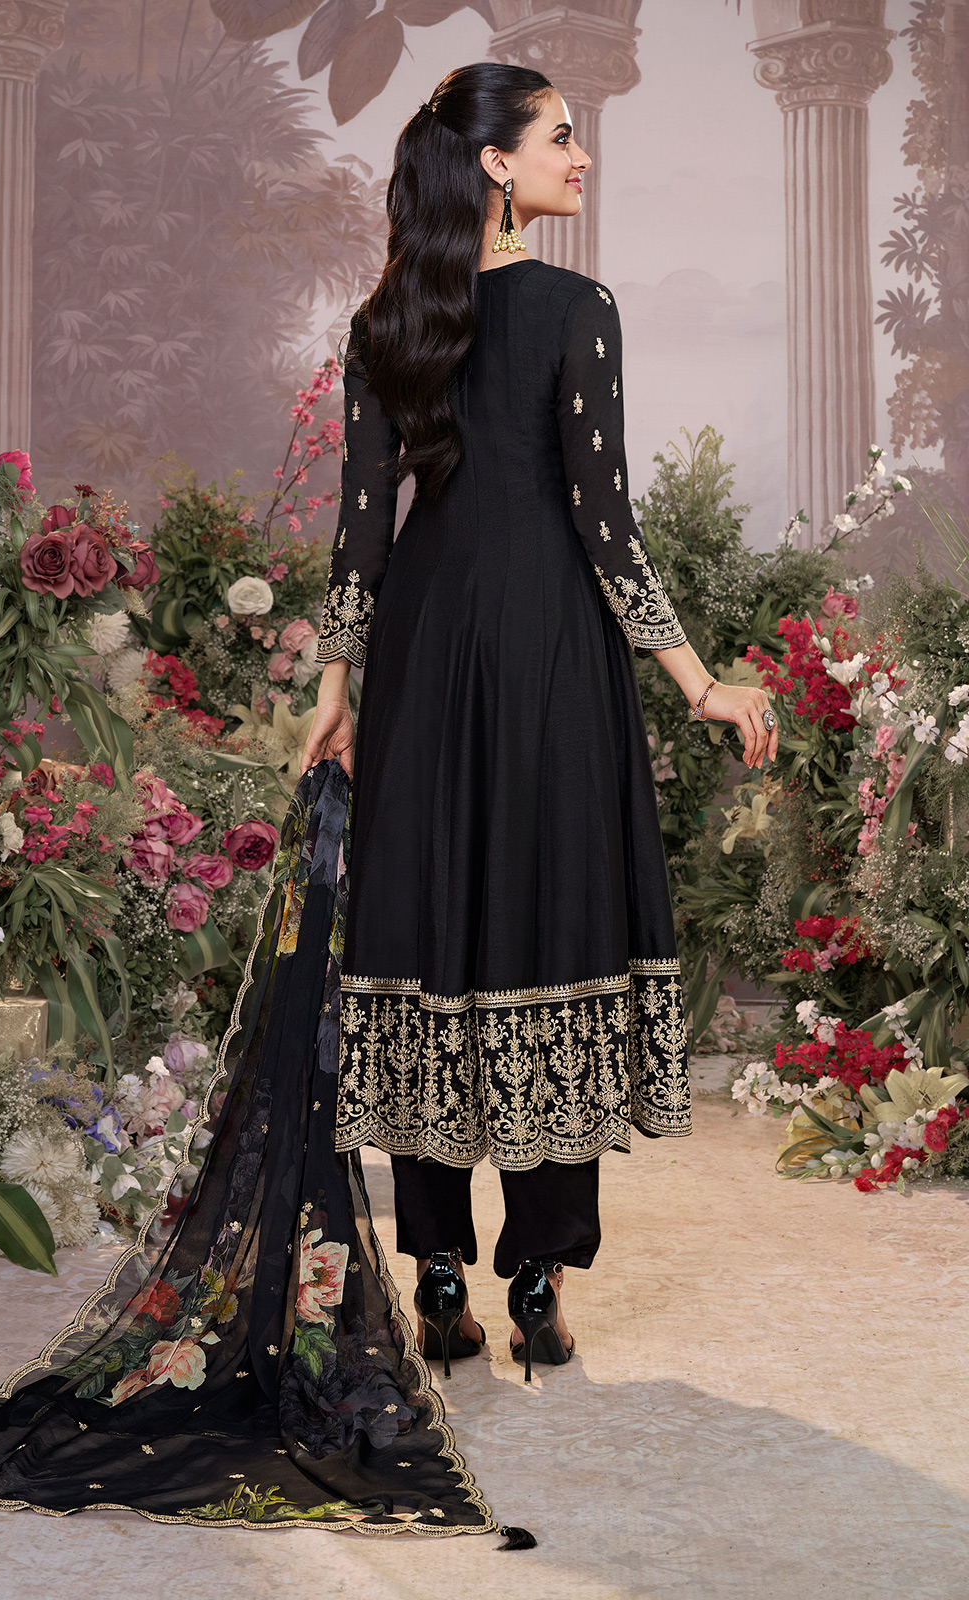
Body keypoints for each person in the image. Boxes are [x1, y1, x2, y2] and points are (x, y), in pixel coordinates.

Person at [300, 61, 777, 1382]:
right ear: (497, 164)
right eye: (562, 137)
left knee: (433, 932)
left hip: (423, 654)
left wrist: (337, 692)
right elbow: (603, 521)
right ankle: (534, 1283)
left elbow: (361, 530)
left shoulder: (388, 319)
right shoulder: (577, 309)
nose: (584, 155)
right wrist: (699, 683)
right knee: (551, 923)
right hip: (553, 648)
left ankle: (439, 1273)